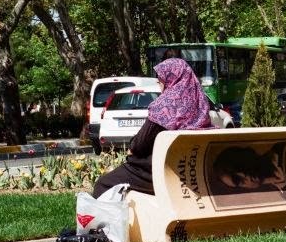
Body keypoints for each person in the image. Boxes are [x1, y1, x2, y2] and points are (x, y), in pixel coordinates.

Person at [92, 58, 214, 198]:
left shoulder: (164, 107)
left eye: (161, 77)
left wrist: (132, 146)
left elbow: (139, 145)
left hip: (157, 171)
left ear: (172, 78)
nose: (158, 80)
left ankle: (105, 220)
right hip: (193, 171)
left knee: (103, 184)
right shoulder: (200, 104)